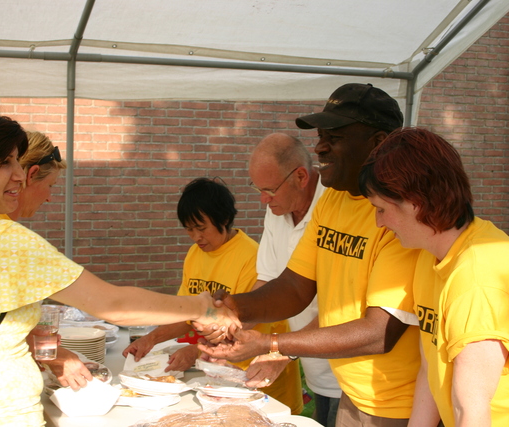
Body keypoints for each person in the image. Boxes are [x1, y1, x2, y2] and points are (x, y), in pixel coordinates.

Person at [0, 106, 239, 427]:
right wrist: (202, 307)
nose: (18, 175)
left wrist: (53, 355)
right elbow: (113, 304)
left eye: (17, 161)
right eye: (4, 163)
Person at [199, 83, 422, 426]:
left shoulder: (400, 213)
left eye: (335, 137)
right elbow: (294, 287)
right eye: (320, 136)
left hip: (397, 404)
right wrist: (234, 307)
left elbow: (380, 332)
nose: (319, 147)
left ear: (378, 143)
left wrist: (271, 345)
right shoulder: (333, 201)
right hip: (352, 391)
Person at [358, 127, 509, 427]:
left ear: (415, 202)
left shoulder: (477, 280)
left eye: (380, 209)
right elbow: (430, 367)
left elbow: (470, 409)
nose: (378, 223)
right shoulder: (430, 253)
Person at [123, 177, 303, 414]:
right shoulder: (195, 254)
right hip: (219, 380)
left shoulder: (252, 258)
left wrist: (195, 351)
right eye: (189, 229)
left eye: (201, 228)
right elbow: (186, 313)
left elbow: (243, 323)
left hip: (261, 381)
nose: (196, 237)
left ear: (224, 219)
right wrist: (151, 338)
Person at [248, 132, 341, 426]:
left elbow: (340, 305)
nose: (263, 199)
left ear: (301, 177)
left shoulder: (337, 209)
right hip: (315, 370)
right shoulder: (277, 210)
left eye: (270, 190)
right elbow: (268, 283)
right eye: (257, 189)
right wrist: (229, 323)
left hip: (352, 376)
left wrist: (278, 351)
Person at [0, 130, 89, 391]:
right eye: (51, 186)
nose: (49, 197)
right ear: (30, 175)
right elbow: (112, 303)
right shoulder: (5, 237)